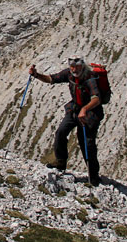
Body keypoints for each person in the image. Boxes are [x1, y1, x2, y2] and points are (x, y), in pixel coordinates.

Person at [29, 57, 103, 186]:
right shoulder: (68, 74)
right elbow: (51, 79)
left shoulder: (90, 78)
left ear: (82, 66)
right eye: (72, 66)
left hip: (90, 113)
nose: (73, 69)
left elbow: (97, 98)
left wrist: (85, 109)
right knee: (60, 132)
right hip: (75, 109)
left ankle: (93, 175)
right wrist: (36, 75)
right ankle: (60, 162)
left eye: (76, 67)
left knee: (86, 142)